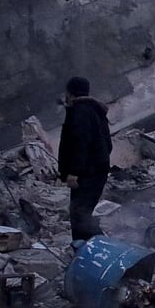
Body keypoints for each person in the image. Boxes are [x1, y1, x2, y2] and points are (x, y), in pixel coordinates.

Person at [58, 76, 113, 241]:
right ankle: (87, 249)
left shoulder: (80, 112)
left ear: (70, 92)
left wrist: (74, 172)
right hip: (95, 171)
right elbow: (107, 144)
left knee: (79, 216)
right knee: (82, 214)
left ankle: (94, 249)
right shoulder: (94, 110)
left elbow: (80, 144)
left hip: (87, 174)